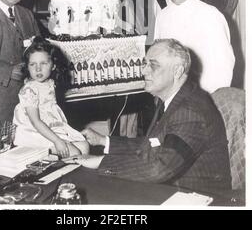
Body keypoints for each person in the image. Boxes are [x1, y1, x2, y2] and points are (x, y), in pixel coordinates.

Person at [67, 39, 232, 194]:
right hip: (172, 189)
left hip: (197, 197)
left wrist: (100, 162)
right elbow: (155, 145)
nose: (143, 70)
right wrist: (103, 141)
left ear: (178, 71)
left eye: (153, 65)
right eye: (144, 63)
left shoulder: (190, 112)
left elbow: (159, 169)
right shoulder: (173, 98)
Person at [154, 0, 235, 94]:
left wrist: (212, 97)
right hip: (171, 96)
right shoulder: (162, 16)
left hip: (204, 94)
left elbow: (224, 62)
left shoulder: (210, 14)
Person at [13, 37, 89, 158]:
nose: (38, 68)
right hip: (34, 133)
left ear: (53, 65)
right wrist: (57, 141)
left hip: (51, 127)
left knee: (84, 146)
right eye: (32, 64)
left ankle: (81, 174)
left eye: (43, 63)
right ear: (27, 67)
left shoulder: (49, 83)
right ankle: (67, 174)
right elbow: (35, 122)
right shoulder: (29, 90)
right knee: (74, 153)